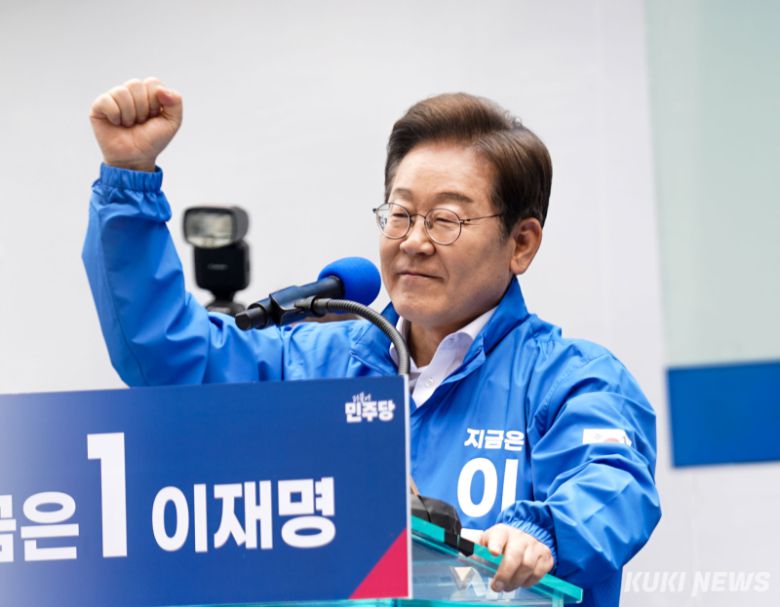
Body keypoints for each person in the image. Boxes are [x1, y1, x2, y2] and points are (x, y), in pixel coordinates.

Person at [84, 77, 661, 607]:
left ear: (522, 243)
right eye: (400, 214)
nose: (413, 241)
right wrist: (130, 179)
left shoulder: (571, 380)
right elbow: (170, 353)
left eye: (446, 220)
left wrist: (541, 532)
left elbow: (615, 483)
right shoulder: (314, 366)